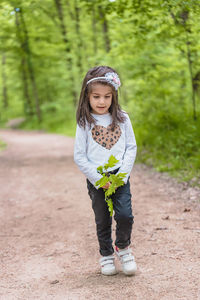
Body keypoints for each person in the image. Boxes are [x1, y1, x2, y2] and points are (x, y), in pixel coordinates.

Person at [74, 66, 137, 276]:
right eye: (96, 97)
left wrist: (122, 176)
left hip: (120, 176)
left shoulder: (122, 118)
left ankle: (123, 248)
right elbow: (79, 156)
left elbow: (131, 147)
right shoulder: (85, 122)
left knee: (125, 215)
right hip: (97, 179)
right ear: (87, 96)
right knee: (102, 218)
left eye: (107, 96)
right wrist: (98, 179)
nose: (102, 102)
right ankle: (106, 254)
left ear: (114, 96)